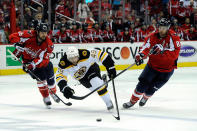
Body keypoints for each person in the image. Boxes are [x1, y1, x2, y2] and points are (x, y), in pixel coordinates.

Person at [123, 18, 181, 108]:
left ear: (168, 28)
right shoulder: (152, 36)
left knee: (152, 89)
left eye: (164, 28)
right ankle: (132, 102)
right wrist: (140, 55)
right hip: (152, 67)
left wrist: (163, 51)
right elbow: (145, 47)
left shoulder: (174, 37)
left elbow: (175, 54)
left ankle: (145, 97)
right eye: (161, 27)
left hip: (167, 70)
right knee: (142, 85)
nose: (162, 30)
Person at [9, 23, 60, 108]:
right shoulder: (28, 35)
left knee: (51, 80)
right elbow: (12, 36)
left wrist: (33, 64)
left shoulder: (49, 44)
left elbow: (43, 59)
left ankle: (53, 93)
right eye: (42, 32)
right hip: (28, 61)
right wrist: (16, 44)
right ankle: (46, 97)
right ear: (37, 32)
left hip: (44, 63)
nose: (44, 34)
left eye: (45, 32)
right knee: (41, 79)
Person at [55, 46, 117, 111]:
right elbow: (60, 76)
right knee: (96, 88)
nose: (74, 60)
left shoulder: (85, 54)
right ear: (67, 58)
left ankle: (108, 103)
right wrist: (64, 88)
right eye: (71, 58)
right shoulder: (63, 63)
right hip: (81, 78)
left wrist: (111, 68)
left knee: (96, 83)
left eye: (75, 57)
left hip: (92, 69)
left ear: (78, 55)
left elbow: (101, 54)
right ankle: (103, 83)